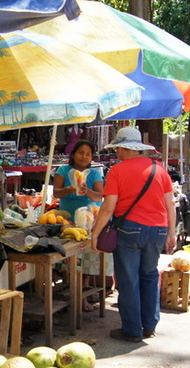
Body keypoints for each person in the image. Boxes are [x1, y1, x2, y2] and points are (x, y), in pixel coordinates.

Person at [91, 127, 177, 343]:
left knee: (129, 280)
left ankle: (132, 330)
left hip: (130, 229)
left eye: (116, 149)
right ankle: (149, 325)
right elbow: (170, 204)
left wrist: (96, 233)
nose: (116, 153)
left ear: (122, 148)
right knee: (149, 275)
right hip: (158, 229)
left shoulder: (117, 171)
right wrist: (172, 233)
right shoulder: (159, 168)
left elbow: (108, 207)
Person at [52, 140, 108, 311]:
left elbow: (99, 197)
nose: (84, 156)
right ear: (73, 154)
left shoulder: (94, 174)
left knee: (87, 260)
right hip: (68, 222)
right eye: (81, 153)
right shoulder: (63, 170)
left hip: (89, 221)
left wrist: (86, 190)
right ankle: (71, 293)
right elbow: (55, 193)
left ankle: (82, 297)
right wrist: (67, 190)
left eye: (88, 154)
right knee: (68, 258)